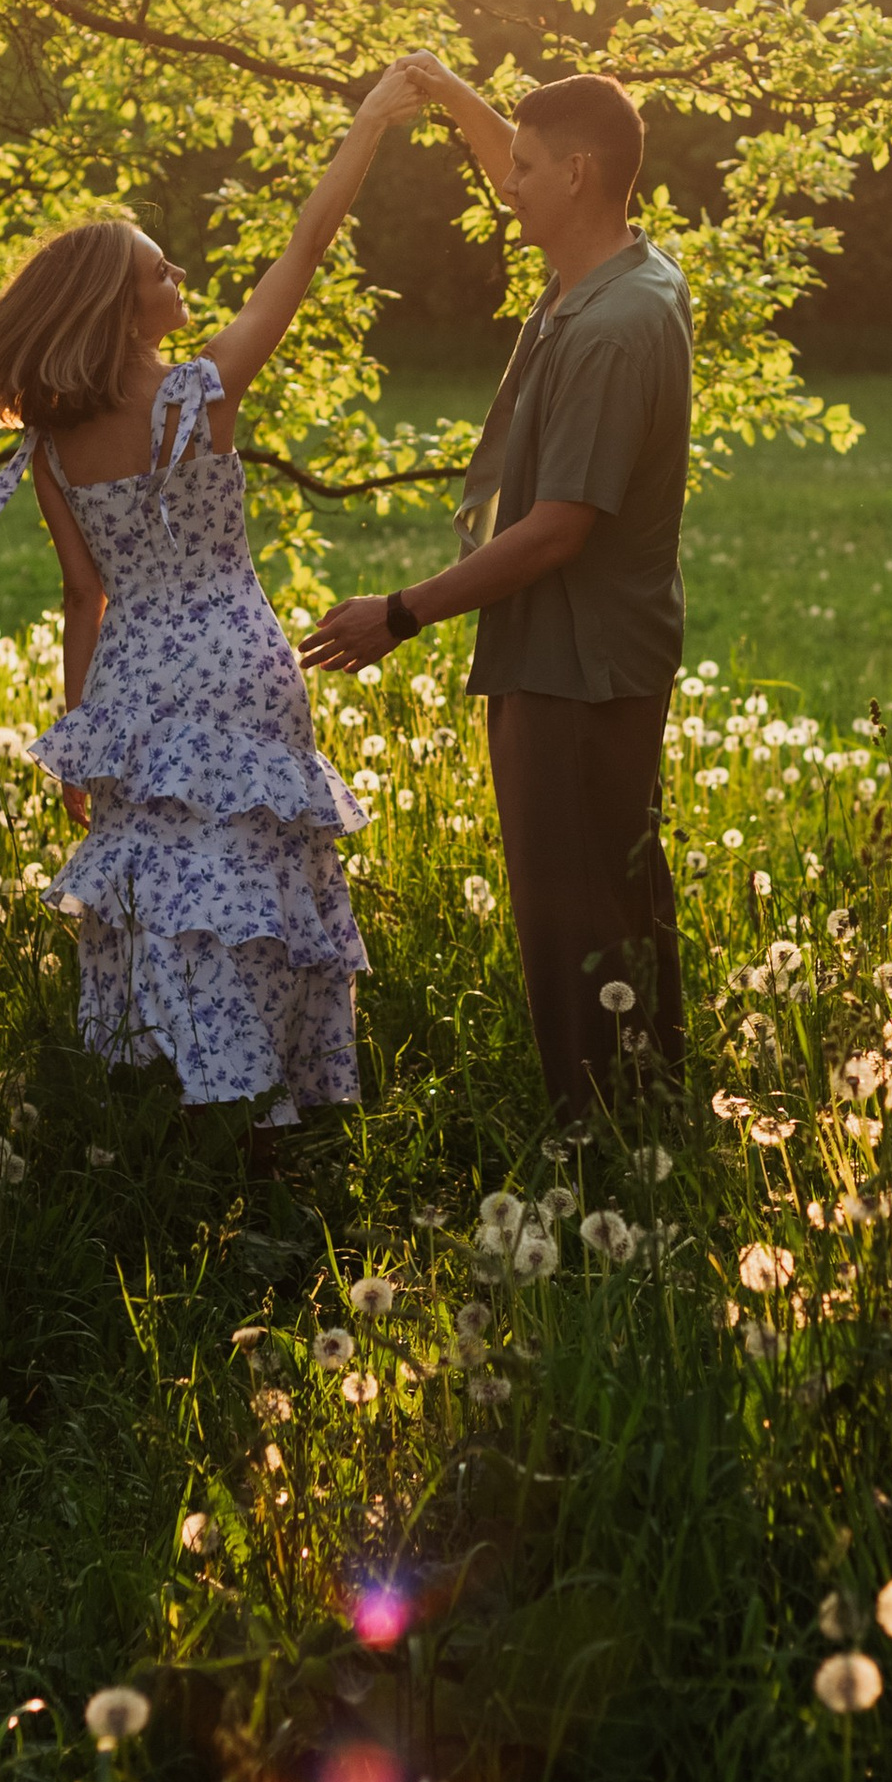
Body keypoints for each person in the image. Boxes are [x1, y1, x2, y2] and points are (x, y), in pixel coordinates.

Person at [0, 64, 428, 1129]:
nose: (181, 277)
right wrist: (368, 126)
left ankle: (175, 1085)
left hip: (135, 683)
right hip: (240, 661)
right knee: (258, 869)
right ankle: (269, 1101)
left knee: (157, 885)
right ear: (124, 311)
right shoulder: (202, 391)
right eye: (161, 272)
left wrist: (81, 739)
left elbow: (83, 597)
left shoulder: (50, 445)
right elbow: (304, 250)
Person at [301, 66, 691, 1118]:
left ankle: (598, 1134)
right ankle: (651, 1107)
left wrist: (398, 615)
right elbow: (525, 168)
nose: (504, 185)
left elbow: (558, 528)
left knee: (575, 920)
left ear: (577, 174)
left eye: (523, 168)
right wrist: (450, 95)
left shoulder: (609, 330)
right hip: (589, 650)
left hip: (574, 662)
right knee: (618, 893)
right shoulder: (622, 271)